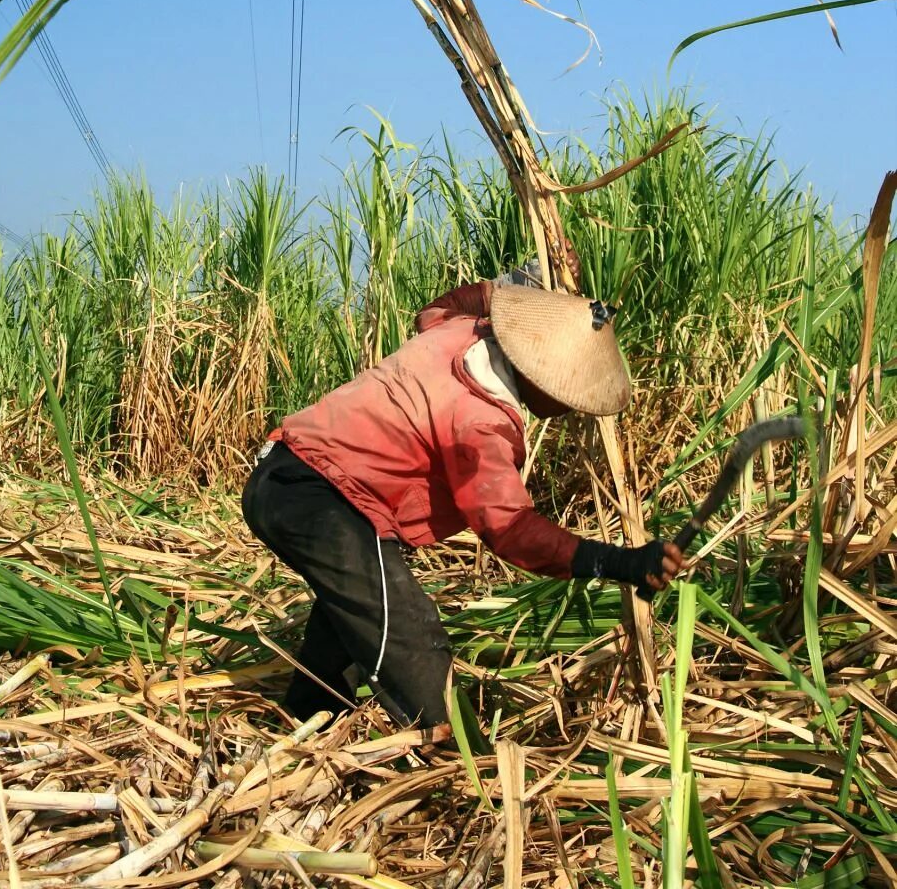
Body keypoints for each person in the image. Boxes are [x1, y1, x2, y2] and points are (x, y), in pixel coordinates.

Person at [242, 264, 683, 728]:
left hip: (286, 474)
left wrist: (520, 289)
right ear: (540, 373)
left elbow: (441, 305)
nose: (567, 407)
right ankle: (455, 761)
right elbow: (510, 530)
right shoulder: (482, 420)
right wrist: (621, 563)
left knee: (353, 616)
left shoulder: (459, 329)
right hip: (320, 496)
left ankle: (305, 717)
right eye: (566, 393)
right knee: (410, 633)